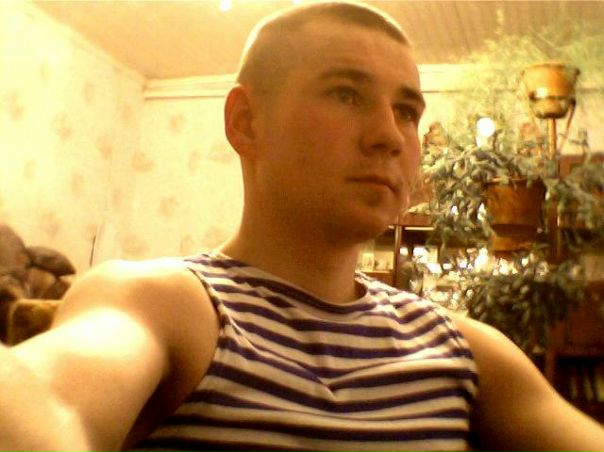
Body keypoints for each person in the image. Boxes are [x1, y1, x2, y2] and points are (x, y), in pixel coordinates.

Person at [2, 2, 604, 451]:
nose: (390, 136)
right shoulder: (164, 305)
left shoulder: (467, 350)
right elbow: (48, 402)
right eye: (345, 94)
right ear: (246, 122)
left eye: (406, 111)